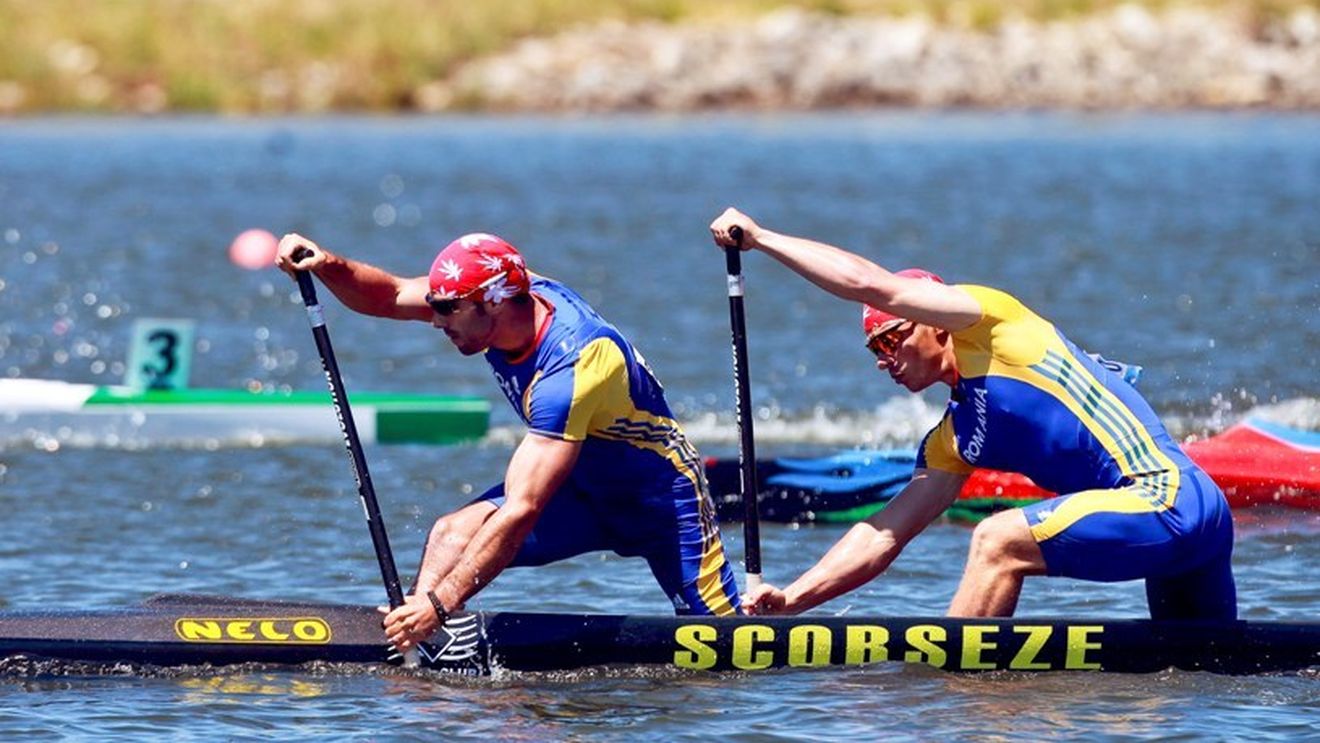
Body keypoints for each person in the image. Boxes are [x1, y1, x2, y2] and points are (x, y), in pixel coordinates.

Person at [708, 207, 1236, 621]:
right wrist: (793, 600)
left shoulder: (993, 324)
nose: (884, 360)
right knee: (1201, 682)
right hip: (1187, 528)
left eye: (892, 339)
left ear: (933, 322)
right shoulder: (953, 438)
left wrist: (761, 239)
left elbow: (875, 286)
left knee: (996, 540)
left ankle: (956, 702)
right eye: (874, 351)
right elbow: (884, 533)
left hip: (1167, 498)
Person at [276, 232, 742, 653]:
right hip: (579, 491)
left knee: (728, 647)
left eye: (446, 310)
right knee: (451, 534)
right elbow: (392, 294)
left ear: (493, 303)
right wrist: (325, 264)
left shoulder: (573, 365)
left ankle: (428, 618)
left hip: (661, 501)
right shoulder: (495, 296)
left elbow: (522, 509)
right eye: (436, 306)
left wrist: (443, 602)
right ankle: (413, 643)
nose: (436, 321)